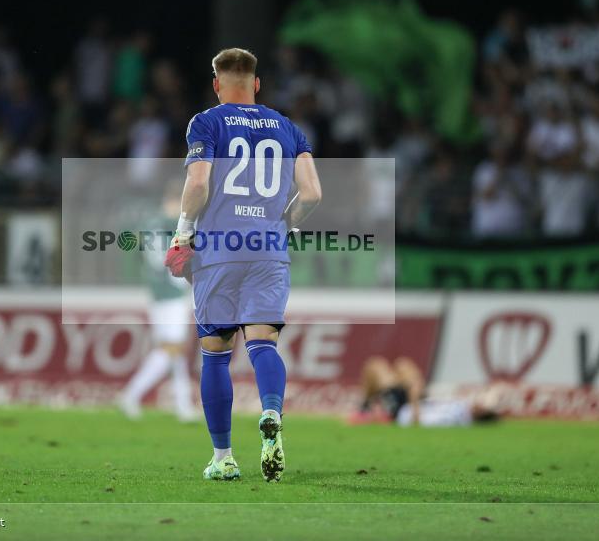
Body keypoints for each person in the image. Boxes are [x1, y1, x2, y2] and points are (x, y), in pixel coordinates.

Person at [164, 48, 321, 482]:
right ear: (257, 84)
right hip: (268, 249)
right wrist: (280, 224)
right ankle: (271, 414)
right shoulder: (289, 128)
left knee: (215, 353)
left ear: (217, 84)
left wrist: (181, 232)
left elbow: (198, 182)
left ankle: (223, 457)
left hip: (219, 250)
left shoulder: (207, 122)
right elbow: (312, 194)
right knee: (263, 342)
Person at [119, 182, 196, 423]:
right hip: (172, 294)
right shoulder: (175, 227)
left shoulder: (149, 224)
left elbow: (139, 257)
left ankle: (183, 406)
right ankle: (131, 394)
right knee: (171, 349)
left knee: (175, 352)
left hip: (156, 293)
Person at [352, 356, 499, 427]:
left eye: (482, 409)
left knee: (377, 367)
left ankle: (366, 405)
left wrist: (414, 397)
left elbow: (418, 421)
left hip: (403, 407)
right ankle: (366, 405)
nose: (479, 406)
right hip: (408, 402)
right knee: (401, 365)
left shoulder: (456, 417)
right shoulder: (461, 407)